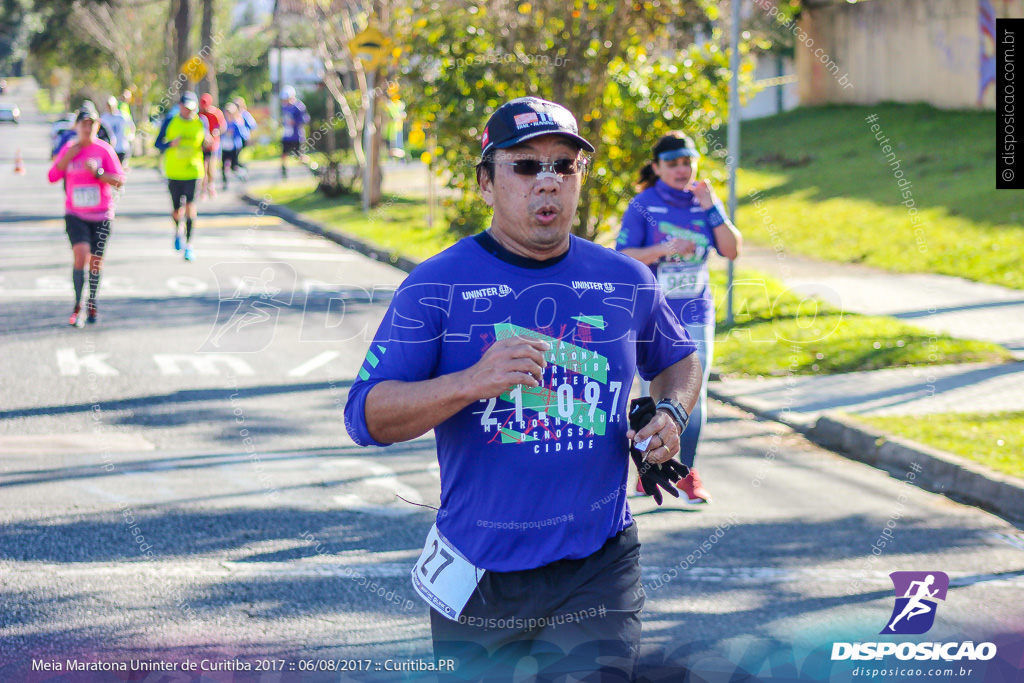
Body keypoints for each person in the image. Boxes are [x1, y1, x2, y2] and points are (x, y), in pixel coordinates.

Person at [344, 97, 703, 681]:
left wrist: (670, 413)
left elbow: (681, 361)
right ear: (486, 183)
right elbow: (366, 416)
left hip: (598, 564)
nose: (549, 182)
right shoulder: (435, 285)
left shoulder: (624, 279)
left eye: (565, 166)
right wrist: (469, 382)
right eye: (526, 165)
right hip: (479, 575)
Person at [616, 131, 742, 505]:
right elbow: (623, 257)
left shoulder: (704, 201)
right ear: (656, 168)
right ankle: (647, 469)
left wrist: (713, 204)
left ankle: (687, 473)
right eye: (672, 163)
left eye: (687, 162)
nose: (682, 170)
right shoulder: (644, 204)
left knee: (694, 395)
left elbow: (732, 249)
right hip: (652, 314)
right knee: (651, 396)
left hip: (695, 311)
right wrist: (663, 249)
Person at [47, 101, 125, 326]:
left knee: (96, 263)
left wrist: (99, 173)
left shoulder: (104, 150)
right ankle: (77, 305)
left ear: (97, 125)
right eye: (83, 123)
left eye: (91, 123)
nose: (87, 127)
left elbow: (119, 180)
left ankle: (92, 302)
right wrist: (67, 157)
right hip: (76, 214)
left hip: (101, 215)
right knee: (80, 255)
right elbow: (52, 177)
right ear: (77, 126)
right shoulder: (69, 148)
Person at [155, 91, 208, 261]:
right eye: (186, 108)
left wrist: (208, 143)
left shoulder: (201, 122)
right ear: (180, 107)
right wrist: (170, 144)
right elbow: (158, 144)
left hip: (193, 171)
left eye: (192, 109)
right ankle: (178, 231)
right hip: (174, 172)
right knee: (177, 210)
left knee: (191, 208)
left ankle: (189, 244)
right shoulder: (171, 121)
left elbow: (206, 146)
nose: (188, 112)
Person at [197, 93, 226, 198]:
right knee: (203, 167)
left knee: (211, 167)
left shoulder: (216, 113)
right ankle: (203, 189)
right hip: (201, 144)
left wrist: (216, 132)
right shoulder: (198, 114)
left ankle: (211, 186)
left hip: (213, 144)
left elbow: (223, 126)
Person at [279, 85, 309, 178]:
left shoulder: (299, 107)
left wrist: (295, 122)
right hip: (287, 135)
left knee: (300, 157)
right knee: (284, 155)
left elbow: (305, 120)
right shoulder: (284, 107)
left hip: (297, 136)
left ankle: (311, 168)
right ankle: (284, 172)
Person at [220, 102, 247, 189]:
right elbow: (220, 132)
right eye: (227, 112)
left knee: (233, 167)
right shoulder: (224, 123)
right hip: (225, 147)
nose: (228, 114)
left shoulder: (237, 123)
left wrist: (233, 133)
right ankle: (225, 183)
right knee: (223, 166)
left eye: (230, 112)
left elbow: (242, 135)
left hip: (234, 147)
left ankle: (242, 174)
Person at [101, 96, 131, 164]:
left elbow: (131, 127)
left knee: (120, 169)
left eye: (111, 105)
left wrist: (129, 136)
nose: (110, 108)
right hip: (110, 149)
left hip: (121, 147)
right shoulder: (104, 118)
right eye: (108, 105)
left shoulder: (122, 116)